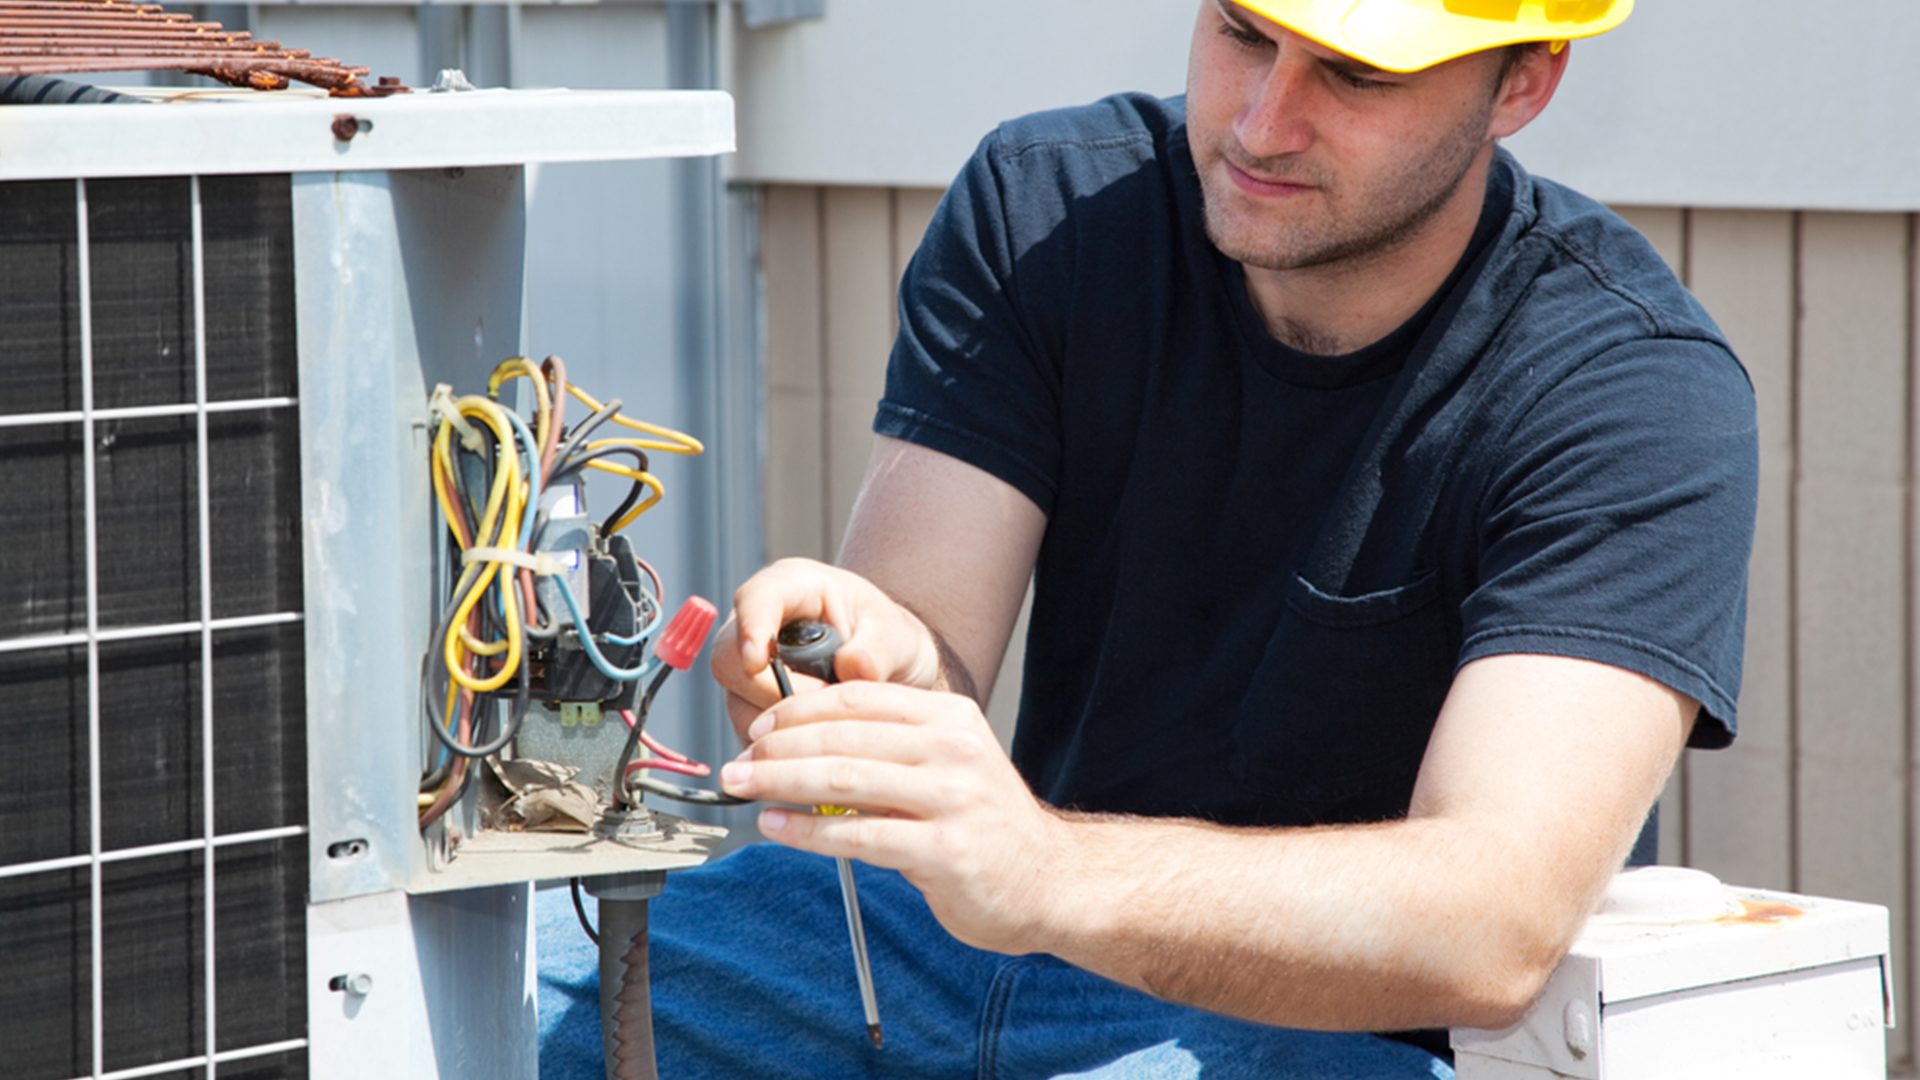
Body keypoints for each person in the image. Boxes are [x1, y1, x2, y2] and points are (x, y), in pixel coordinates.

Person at [538, 1, 1758, 1076]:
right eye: (1241, 31)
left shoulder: (1628, 386)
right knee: (482, 984)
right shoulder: (1049, 208)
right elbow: (931, 649)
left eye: (1356, 75)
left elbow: (1491, 924)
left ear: (1524, 83)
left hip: (1341, 1041)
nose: (1261, 123)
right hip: (962, 953)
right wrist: (875, 661)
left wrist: (1043, 873)